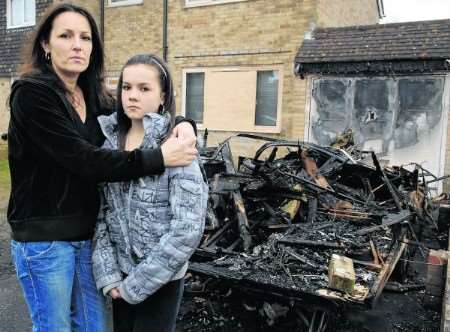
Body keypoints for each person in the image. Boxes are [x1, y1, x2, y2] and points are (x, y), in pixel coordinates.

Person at [7, 4, 197, 332]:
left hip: (87, 236)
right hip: (45, 240)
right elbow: (84, 160)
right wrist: (160, 158)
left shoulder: (92, 95)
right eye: (65, 36)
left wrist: (182, 123)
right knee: (54, 328)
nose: (77, 44)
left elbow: (139, 109)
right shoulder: (32, 94)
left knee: (93, 327)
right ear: (46, 45)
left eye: (85, 37)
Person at [92, 54, 208, 332]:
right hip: (120, 279)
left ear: (162, 95)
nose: (133, 96)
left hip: (162, 281)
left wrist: (135, 285)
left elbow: (187, 229)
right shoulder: (108, 147)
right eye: (126, 87)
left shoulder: (176, 146)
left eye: (144, 89)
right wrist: (110, 279)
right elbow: (100, 216)